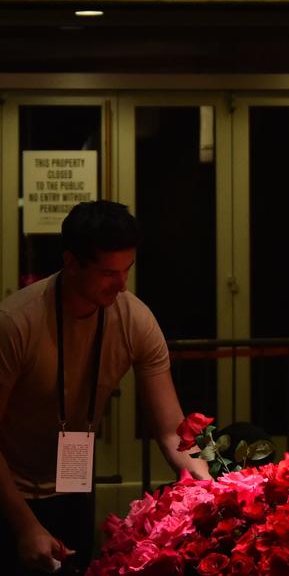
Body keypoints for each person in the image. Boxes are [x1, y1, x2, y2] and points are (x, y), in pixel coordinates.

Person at [0, 200, 210, 575]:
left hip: (73, 483)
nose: (122, 284)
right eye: (108, 272)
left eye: (127, 270)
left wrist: (208, 483)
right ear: (71, 262)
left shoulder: (134, 319)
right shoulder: (16, 323)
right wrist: (25, 525)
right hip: (8, 490)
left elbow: (170, 429)